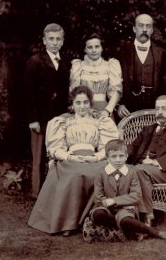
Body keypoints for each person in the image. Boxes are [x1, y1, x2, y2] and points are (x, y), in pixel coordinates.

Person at [27, 85, 119, 236]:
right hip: (70, 159)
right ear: (73, 104)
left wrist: (95, 157)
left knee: (102, 173)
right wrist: (71, 157)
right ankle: (67, 223)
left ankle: (92, 218)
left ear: (90, 103)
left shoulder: (100, 121)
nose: (82, 107)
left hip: (93, 159)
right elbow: (56, 148)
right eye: (78, 103)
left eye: (85, 103)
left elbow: (108, 147)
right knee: (74, 174)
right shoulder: (63, 121)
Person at [90, 139, 166, 241]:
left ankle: (152, 231)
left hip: (126, 208)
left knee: (125, 219)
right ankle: (132, 229)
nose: (118, 160)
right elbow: (98, 197)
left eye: (121, 156)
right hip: (105, 208)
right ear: (107, 158)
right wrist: (107, 202)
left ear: (126, 156)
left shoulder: (132, 173)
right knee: (98, 215)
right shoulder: (101, 174)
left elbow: (136, 195)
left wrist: (115, 201)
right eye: (114, 157)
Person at [127, 95, 166, 226]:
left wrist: (155, 162)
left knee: (138, 171)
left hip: (163, 172)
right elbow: (132, 147)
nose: (160, 112)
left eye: (164, 108)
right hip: (140, 168)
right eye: (157, 108)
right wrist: (117, 154)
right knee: (120, 170)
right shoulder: (147, 129)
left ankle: (147, 215)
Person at [24, 23, 70, 197]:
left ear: (63, 41)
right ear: (44, 40)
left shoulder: (64, 62)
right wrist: (32, 118)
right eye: (51, 39)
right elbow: (28, 93)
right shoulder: (35, 61)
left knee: (56, 152)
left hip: (58, 117)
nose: (55, 42)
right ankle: (38, 192)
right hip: (40, 117)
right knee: (39, 155)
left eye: (58, 39)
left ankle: (53, 190)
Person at [117, 14, 166, 118]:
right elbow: (114, 81)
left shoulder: (162, 53)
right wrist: (119, 105)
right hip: (128, 112)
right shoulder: (122, 53)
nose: (145, 30)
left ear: (152, 30)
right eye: (141, 26)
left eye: (148, 26)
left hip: (155, 111)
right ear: (134, 29)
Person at [70, 33, 122, 118]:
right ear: (85, 49)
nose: (94, 50)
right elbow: (74, 93)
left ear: (102, 48)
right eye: (90, 47)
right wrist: (88, 110)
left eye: (97, 46)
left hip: (104, 109)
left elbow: (116, 92)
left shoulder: (110, 65)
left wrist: (107, 111)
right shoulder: (78, 66)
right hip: (83, 109)